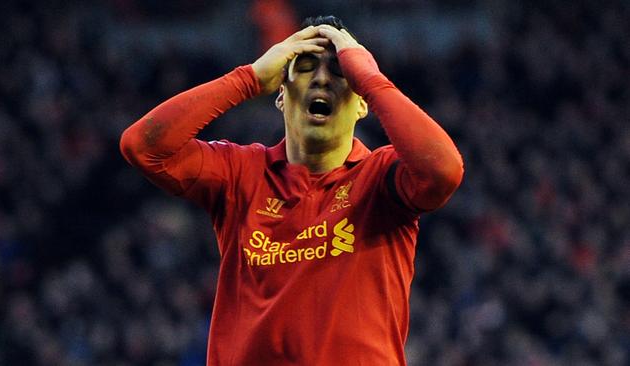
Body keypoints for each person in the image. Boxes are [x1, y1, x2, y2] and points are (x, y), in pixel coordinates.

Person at [120, 15, 463, 366]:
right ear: (281, 96)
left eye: (341, 72)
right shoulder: (241, 174)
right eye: (306, 67)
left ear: (362, 104)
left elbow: (444, 171)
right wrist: (248, 79)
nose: (321, 79)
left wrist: (372, 81)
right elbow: (143, 147)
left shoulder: (380, 178)